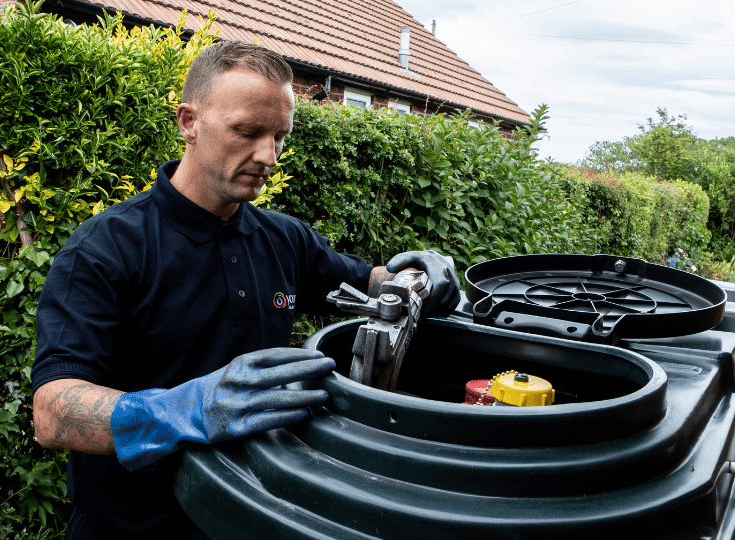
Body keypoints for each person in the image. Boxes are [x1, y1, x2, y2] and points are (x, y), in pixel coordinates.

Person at [30, 41, 461, 540]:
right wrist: (182, 410)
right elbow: (53, 412)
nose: (268, 156)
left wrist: (420, 277)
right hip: (132, 526)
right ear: (188, 121)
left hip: (254, 516)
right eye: (249, 132)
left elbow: (368, 283)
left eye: (280, 136)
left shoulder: (283, 238)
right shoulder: (106, 250)